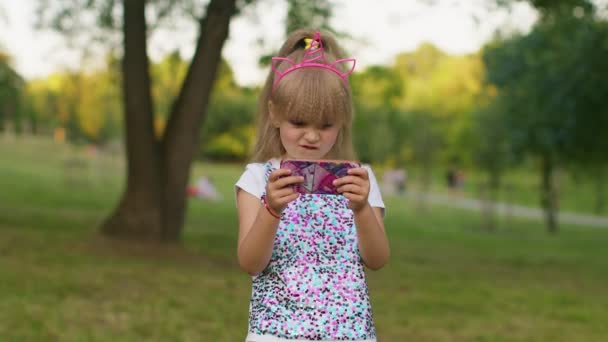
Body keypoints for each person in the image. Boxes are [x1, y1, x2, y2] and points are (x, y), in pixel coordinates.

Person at [235, 29, 389, 342]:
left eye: (326, 125)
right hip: (275, 334)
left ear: (342, 121)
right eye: (299, 122)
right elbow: (251, 263)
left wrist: (361, 209)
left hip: (350, 334)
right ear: (275, 114)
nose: (312, 136)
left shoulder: (359, 179)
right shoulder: (256, 178)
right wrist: (271, 209)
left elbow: (377, 260)